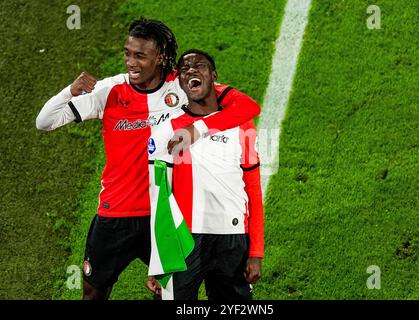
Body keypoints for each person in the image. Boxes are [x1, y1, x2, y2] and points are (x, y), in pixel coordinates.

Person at [36, 18, 260, 300]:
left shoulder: (180, 88)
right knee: (93, 290)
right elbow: (44, 121)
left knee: (170, 292)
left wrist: (198, 128)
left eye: (140, 56)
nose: (131, 62)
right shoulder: (110, 90)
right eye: (127, 53)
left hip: (164, 217)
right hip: (115, 213)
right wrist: (70, 90)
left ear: (161, 57)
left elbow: (247, 106)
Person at [147, 49, 264, 300]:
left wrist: (256, 252)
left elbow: (253, 188)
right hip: (184, 238)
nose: (191, 71)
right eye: (185, 69)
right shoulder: (166, 130)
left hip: (232, 238)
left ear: (213, 75)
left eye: (198, 66)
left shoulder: (241, 124)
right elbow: (159, 199)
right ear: (180, 83)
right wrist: (159, 261)